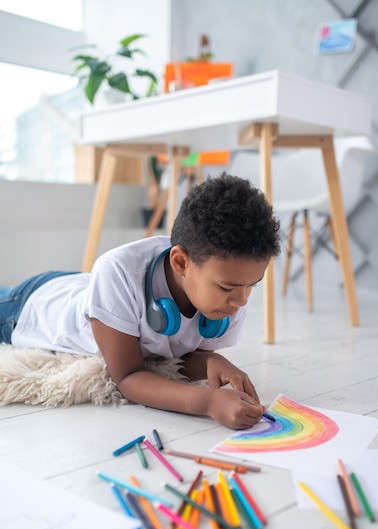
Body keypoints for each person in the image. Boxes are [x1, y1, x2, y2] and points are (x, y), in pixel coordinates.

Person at [0, 173, 280, 429]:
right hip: (29, 305)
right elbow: (128, 377)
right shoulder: (118, 271)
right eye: (228, 287)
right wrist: (206, 402)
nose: (241, 300)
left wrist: (210, 360)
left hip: (84, 286)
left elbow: (173, 355)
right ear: (181, 262)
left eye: (252, 285)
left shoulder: (230, 284)